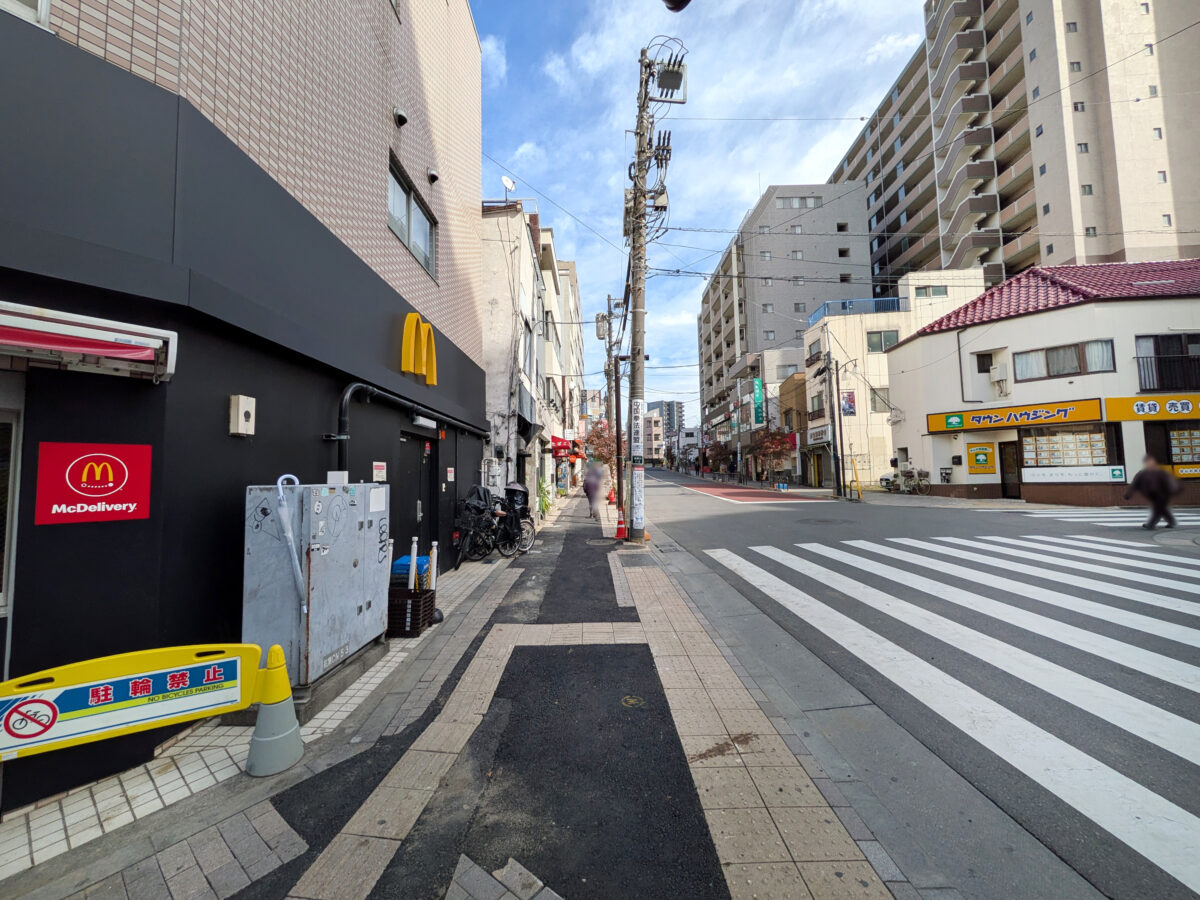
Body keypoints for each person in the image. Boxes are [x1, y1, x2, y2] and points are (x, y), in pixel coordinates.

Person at [1124, 454, 1180, 529]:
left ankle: (1151, 524)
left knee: (1159, 508)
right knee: (1162, 509)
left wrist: (1173, 489)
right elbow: (1134, 484)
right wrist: (1128, 494)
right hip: (1151, 494)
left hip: (1163, 494)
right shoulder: (1142, 473)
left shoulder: (1161, 472)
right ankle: (1171, 522)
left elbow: (1169, 482)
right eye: (1148, 462)